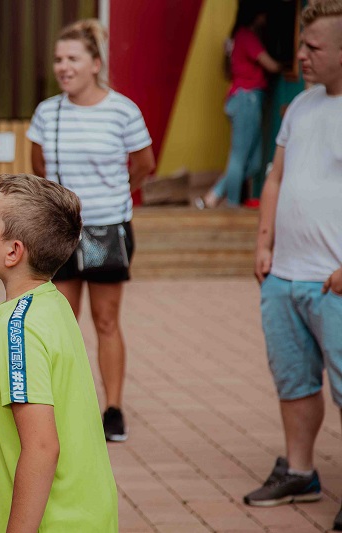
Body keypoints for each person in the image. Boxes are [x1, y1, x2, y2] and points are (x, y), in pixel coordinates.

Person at [27, 19, 155, 442]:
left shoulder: (123, 110)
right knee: (63, 321)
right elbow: (39, 167)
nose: (63, 67)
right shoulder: (48, 111)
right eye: (59, 59)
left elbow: (144, 164)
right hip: (64, 230)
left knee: (105, 321)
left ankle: (113, 409)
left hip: (107, 231)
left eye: (73, 59)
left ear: (95, 64)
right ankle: (66, 407)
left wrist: (112, 195)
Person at [0, 173, 118, 532]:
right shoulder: (52, 302)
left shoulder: (16, 330)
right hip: (89, 516)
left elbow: (40, 447)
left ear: (13, 251)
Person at [244, 2, 342, 531]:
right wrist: (265, 245)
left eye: (314, 48)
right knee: (294, 382)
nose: (300, 55)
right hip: (284, 275)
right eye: (301, 45)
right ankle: (300, 472)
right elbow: (276, 179)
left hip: (337, 282)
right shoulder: (300, 108)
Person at [196, 0, 280, 209]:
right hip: (246, 99)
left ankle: (213, 196)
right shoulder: (247, 35)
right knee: (239, 158)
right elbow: (271, 64)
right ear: (256, 15)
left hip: (244, 98)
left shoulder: (239, 36)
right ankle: (232, 206)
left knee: (253, 162)